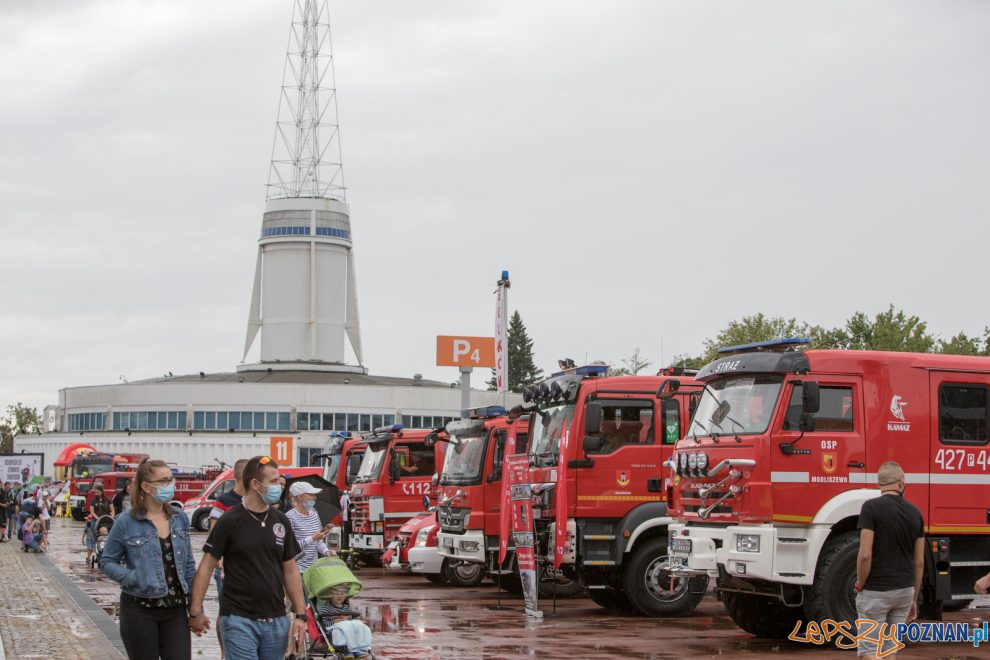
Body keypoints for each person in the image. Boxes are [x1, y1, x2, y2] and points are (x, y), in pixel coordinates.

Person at [188, 456, 308, 660]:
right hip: (238, 619)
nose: (278, 487)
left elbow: (290, 570)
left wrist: (300, 614)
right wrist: (196, 611)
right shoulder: (230, 521)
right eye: (272, 482)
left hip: (276, 620)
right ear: (255, 483)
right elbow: (206, 567)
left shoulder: (281, 521)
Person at [100, 458, 198, 660]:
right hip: (139, 610)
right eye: (163, 481)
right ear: (145, 486)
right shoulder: (126, 522)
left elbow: (188, 566)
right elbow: (107, 560)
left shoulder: (179, 518)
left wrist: (196, 609)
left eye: (170, 480)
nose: (169, 485)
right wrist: (131, 577)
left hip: (175, 610)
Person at [855, 461, 925, 658]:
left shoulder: (870, 508)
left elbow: (865, 554)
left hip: (876, 591)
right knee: (890, 648)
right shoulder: (915, 513)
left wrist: (861, 583)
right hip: (904, 591)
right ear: (901, 483)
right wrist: (913, 598)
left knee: (868, 651)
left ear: (879, 485)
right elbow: (919, 561)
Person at [209, 458, 248, 660]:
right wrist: (220, 557)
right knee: (226, 612)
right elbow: (214, 532)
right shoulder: (224, 501)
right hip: (226, 567)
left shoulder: (256, 502)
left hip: (249, 567)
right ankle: (225, 653)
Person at [285, 481, 333, 575]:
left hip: (313, 570)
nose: (314, 497)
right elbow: (290, 546)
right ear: (300, 496)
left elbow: (318, 542)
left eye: (314, 495)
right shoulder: (290, 517)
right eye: (311, 494)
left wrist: (326, 551)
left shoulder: (314, 515)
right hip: (296, 571)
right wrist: (313, 538)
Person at [316, 585, 372, 657]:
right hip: (334, 629)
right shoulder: (326, 608)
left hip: (347, 628)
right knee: (345, 629)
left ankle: (359, 649)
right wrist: (335, 622)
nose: (340, 596)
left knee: (358, 625)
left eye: (343, 593)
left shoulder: (346, 607)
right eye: (337, 593)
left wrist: (347, 619)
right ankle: (348, 652)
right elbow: (324, 623)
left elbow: (351, 619)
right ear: (330, 594)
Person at [86, 486, 112, 564]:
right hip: (96, 521)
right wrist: (97, 518)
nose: (96, 494)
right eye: (95, 492)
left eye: (98, 492)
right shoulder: (93, 501)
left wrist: (111, 517)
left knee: (107, 536)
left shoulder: (108, 500)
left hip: (106, 521)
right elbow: (92, 511)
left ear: (102, 491)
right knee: (91, 538)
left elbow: (112, 510)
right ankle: (89, 556)